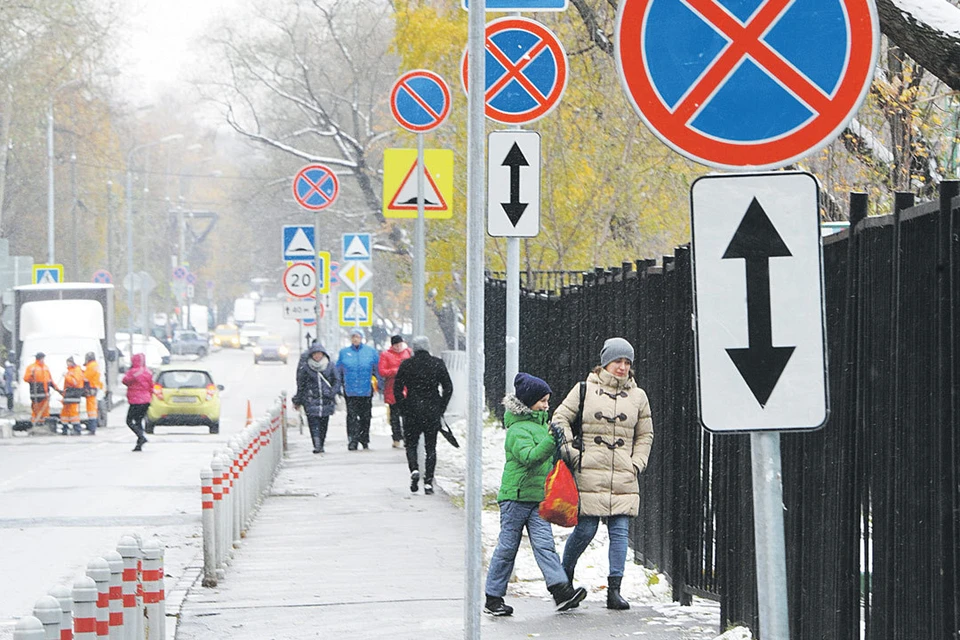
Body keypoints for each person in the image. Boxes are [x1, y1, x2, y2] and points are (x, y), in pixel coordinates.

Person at [554, 337, 654, 610]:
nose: (622, 367)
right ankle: (564, 578)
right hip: (589, 471)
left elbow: (645, 434)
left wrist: (637, 463)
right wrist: (572, 453)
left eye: (627, 362)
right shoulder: (584, 389)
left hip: (623, 474)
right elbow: (559, 418)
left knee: (620, 531)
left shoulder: (638, 396)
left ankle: (615, 591)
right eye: (617, 361)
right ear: (605, 362)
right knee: (586, 530)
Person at [483, 373, 588, 617]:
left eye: (547, 401)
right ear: (529, 402)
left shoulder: (543, 427)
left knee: (545, 546)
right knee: (508, 548)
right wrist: (552, 442)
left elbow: (549, 459)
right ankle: (493, 597)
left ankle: (561, 592)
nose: (546, 405)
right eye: (542, 401)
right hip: (515, 498)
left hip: (538, 499)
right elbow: (530, 457)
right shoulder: (517, 430)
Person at [393, 336, 453, 495]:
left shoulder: (406, 365)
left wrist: (403, 406)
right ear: (427, 347)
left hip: (412, 410)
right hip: (432, 410)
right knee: (431, 447)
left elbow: (397, 388)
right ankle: (428, 482)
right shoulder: (437, 363)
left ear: (413, 348)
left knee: (411, 444)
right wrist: (441, 406)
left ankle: (414, 469)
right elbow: (448, 387)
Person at [292, 342, 340, 454]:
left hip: (326, 400)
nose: (317, 356)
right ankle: (317, 445)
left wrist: (332, 392)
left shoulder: (330, 365)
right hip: (311, 400)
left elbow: (336, 380)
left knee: (323, 424)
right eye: (315, 354)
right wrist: (298, 400)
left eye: (319, 354)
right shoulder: (306, 368)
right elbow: (301, 385)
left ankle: (321, 443)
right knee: (313, 424)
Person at [336, 328, 379, 451]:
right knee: (352, 417)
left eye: (358, 337)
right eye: (353, 337)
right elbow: (338, 370)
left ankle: (364, 439)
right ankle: (352, 440)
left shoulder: (370, 352)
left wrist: (378, 385)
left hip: (366, 390)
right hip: (350, 390)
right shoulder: (344, 353)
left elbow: (376, 370)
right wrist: (338, 386)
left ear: (362, 338)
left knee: (366, 416)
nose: (355, 339)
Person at [378, 334, 412, 448]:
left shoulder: (408, 353)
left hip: (407, 389)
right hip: (392, 389)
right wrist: (396, 371)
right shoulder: (386, 355)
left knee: (407, 416)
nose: (398, 347)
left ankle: (408, 438)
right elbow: (382, 371)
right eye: (395, 345)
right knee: (395, 416)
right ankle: (396, 437)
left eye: (399, 344)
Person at [122, 353, 153, 452]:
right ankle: (139, 443)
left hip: (135, 400)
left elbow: (125, 381)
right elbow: (151, 386)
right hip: (146, 400)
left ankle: (141, 436)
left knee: (129, 420)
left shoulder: (133, 372)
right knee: (139, 420)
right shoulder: (148, 372)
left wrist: (133, 377)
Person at [23, 352, 60, 429]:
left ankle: (45, 426)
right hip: (36, 394)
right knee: (36, 411)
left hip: (45, 394)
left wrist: (58, 390)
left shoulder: (45, 367)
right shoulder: (31, 367)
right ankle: (35, 426)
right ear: (38, 358)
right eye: (42, 358)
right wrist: (31, 375)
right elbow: (26, 379)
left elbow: (50, 381)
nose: (43, 360)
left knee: (45, 412)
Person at [60, 356, 86, 435]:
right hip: (68, 393)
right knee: (65, 411)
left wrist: (66, 376)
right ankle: (65, 428)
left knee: (73, 411)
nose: (67, 364)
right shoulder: (70, 370)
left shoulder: (77, 370)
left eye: (68, 362)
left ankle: (77, 428)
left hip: (74, 393)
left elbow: (75, 382)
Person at [82, 352, 103, 434]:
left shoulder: (91, 366)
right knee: (93, 408)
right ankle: (92, 427)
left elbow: (86, 378)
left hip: (90, 387)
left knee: (91, 408)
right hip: (94, 387)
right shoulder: (95, 365)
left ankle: (92, 428)